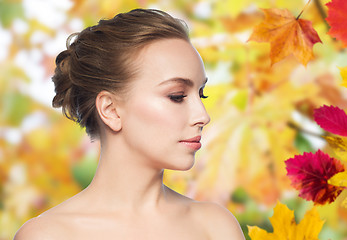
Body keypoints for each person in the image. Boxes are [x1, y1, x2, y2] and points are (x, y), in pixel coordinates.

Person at [14, 8, 245, 239]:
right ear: (110, 110)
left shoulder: (216, 227)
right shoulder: (48, 235)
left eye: (201, 93)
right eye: (177, 96)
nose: (203, 116)